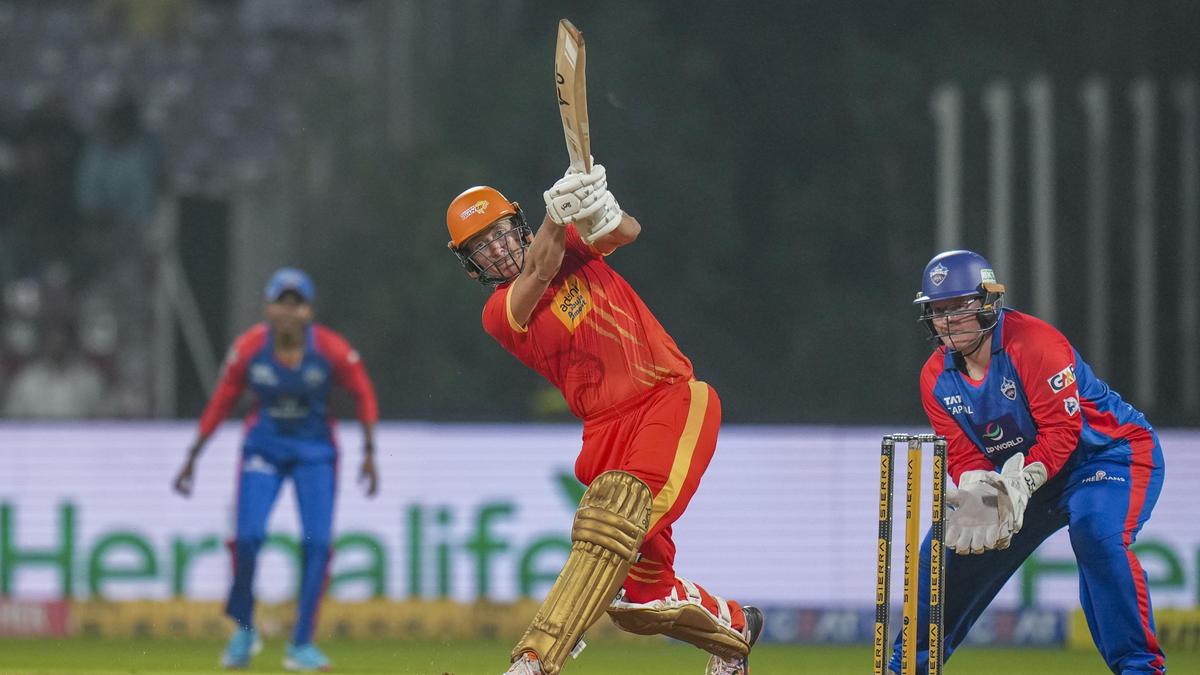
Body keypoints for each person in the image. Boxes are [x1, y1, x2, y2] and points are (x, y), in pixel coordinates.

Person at [445, 164, 763, 675]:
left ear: (517, 225)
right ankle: (735, 631)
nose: (498, 250)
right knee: (642, 602)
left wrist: (601, 210)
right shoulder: (500, 312)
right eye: (483, 247)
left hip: (667, 400)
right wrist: (557, 214)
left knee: (609, 531)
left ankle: (536, 657)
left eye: (501, 233)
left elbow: (626, 232)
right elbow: (538, 272)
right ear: (472, 265)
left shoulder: (569, 245)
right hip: (604, 435)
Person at [897, 249, 1166, 674]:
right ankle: (907, 668)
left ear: (988, 302)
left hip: (1108, 456)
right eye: (939, 310)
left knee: (1095, 535)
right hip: (1021, 477)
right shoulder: (935, 378)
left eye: (960, 307)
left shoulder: (1035, 343)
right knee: (942, 549)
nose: (949, 321)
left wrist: (1021, 484)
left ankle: (1140, 669)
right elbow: (964, 454)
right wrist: (977, 488)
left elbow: (1062, 432)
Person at [171, 267, 380, 672]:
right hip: (263, 449)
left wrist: (369, 452)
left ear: (308, 312)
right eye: (280, 303)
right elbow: (222, 401)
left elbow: (364, 393)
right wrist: (193, 456)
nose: (288, 312)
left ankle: (301, 643)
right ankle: (244, 628)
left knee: (318, 545)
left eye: (296, 304)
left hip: (315, 453)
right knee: (247, 537)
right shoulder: (249, 348)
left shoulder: (331, 350)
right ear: (268, 309)